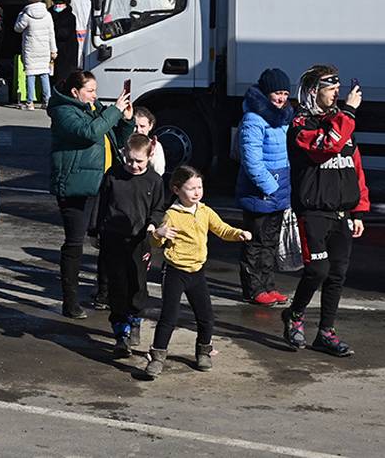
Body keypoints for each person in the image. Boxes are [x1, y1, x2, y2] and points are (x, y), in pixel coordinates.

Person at [281, 65, 369, 357]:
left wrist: (358, 210)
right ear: (313, 92)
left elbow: (355, 168)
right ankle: (295, 315)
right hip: (313, 210)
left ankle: (326, 333)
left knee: (337, 274)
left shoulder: (342, 122)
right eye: (330, 89)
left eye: (337, 88)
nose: (337, 94)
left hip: (342, 212)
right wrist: (350, 113)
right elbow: (327, 146)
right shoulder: (301, 124)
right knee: (318, 270)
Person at [143, 165, 251, 378]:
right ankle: (157, 357)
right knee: (169, 317)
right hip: (175, 272)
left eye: (199, 187)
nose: (196, 192)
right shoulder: (171, 215)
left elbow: (222, 229)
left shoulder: (205, 211)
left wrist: (238, 234)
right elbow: (156, 243)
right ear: (176, 190)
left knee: (206, 316)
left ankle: (203, 351)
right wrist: (158, 233)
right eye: (191, 188)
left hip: (197, 272)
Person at [48, 70, 133, 319]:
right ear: (75, 92)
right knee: (75, 243)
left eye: (95, 90)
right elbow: (89, 133)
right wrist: (114, 111)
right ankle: (70, 301)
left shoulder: (94, 108)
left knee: (108, 240)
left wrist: (125, 120)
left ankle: (103, 294)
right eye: (90, 91)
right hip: (76, 185)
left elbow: (115, 138)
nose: (95, 95)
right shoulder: (63, 111)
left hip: (102, 183)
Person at [91, 134, 166, 357]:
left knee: (137, 284)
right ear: (124, 154)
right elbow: (101, 203)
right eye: (130, 160)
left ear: (149, 156)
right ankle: (120, 333)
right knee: (117, 285)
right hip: (113, 238)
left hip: (139, 241)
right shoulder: (113, 175)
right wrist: (94, 230)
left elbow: (158, 208)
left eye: (139, 161)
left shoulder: (154, 180)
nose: (133, 165)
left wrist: (153, 225)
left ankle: (135, 320)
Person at [235, 68, 294, 307]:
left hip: (278, 190)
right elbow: (251, 160)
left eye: (285, 93)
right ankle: (253, 289)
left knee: (270, 242)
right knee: (254, 242)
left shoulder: (282, 118)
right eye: (277, 93)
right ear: (266, 92)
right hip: (260, 191)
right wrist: (269, 186)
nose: (281, 98)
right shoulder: (253, 119)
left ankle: (268, 285)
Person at [14, 0, 57, 110]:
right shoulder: (48, 14)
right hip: (44, 49)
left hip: (30, 50)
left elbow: (17, 28)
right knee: (44, 74)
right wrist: (53, 50)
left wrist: (20, 15)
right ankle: (47, 101)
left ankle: (30, 102)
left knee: (30, 75)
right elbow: (51, 33)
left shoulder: (26, 15)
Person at [50, 0, 79, 90]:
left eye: (60, 4)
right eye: (56, 3)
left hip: (67, 51)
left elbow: (64, 33)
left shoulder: (70, 17)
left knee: (64, 75)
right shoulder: (49, 15)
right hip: (53, 49)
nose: (57, 6)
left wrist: (52, 31)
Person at [132, 106, 166, 177]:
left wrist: (151, 156)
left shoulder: (156, 146)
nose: (138, 130)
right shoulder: (124, 143)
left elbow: (159, 172)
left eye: (142, 126)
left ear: (150, 126)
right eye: (135, 126)